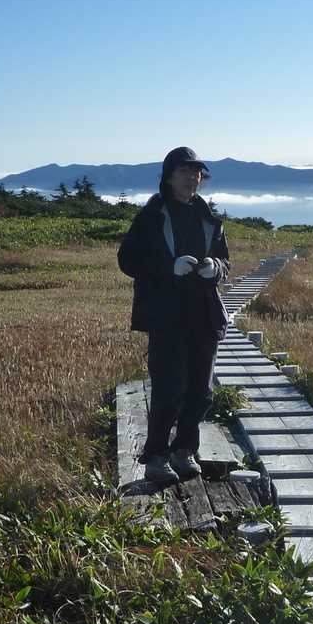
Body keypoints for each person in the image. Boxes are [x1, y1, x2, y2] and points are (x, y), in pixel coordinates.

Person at [117, 146, 230, 483]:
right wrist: (169, 267)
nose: (191, 177)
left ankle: (185, 451)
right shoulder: (151, 216)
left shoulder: (209, 219)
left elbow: (225, 262)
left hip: (204, 313)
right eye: (184, 171)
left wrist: (215, 268)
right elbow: (128, 261)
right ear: (168, 177)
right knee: (170, 387)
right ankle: (156, 457)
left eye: (196, 172)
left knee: (201, 391)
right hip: (166, 315)